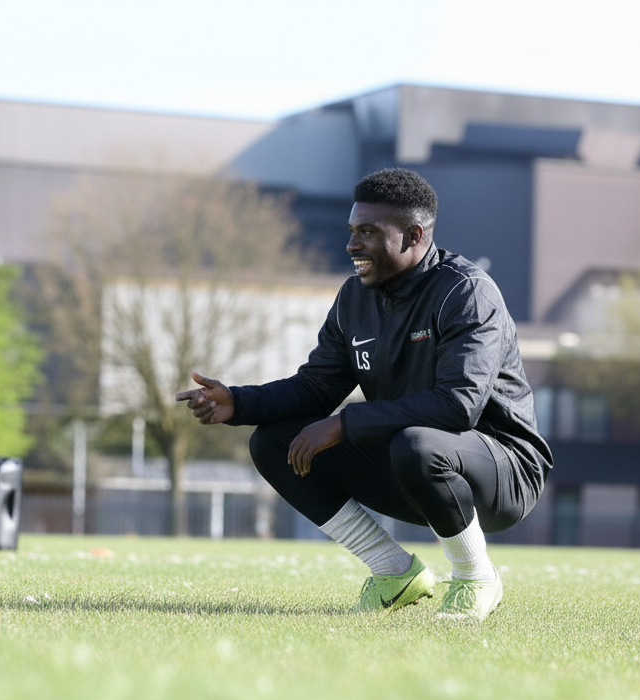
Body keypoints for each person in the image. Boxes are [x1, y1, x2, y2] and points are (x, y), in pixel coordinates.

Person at [176, 167, 552, 621]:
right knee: (274, 443)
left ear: (414, 236)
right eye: (352, 230)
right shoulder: (354, 298)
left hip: (502, 473)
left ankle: (476, 577)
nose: (352, 244)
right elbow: (316, 388)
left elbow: (458, 405)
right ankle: (394, 572)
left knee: (418, 444)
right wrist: (240, 402)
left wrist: (344, 424)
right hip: (410, 462)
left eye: (368, 232)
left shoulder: (466, 292)